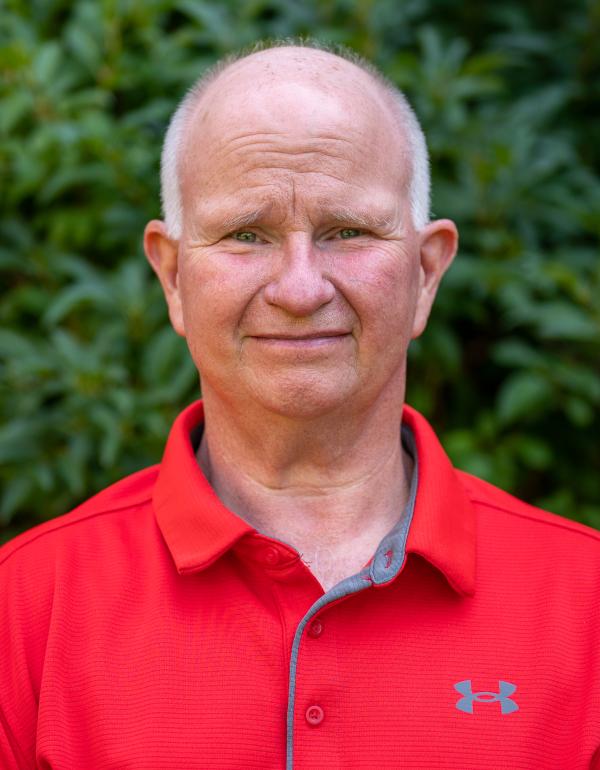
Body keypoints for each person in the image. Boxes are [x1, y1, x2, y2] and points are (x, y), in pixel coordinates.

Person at [1, 41, 599, 770]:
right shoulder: (26, 609)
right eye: (246, 235)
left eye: (346, 232)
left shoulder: (585, 607)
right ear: (173, 277)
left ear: (426, 271)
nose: (299, 288)